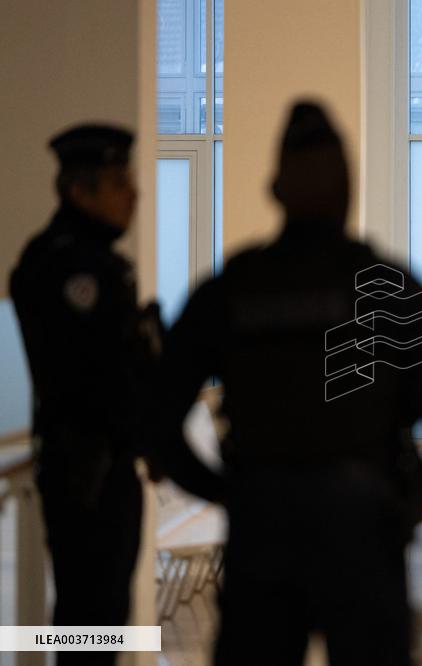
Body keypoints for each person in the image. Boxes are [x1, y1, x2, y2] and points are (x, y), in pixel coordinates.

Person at [156, 101, 422, 665]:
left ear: (275, 188)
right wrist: (413, 502)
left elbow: (155, 417)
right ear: (348, 189)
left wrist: (228, 492)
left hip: (261, 530)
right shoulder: (392, 289)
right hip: (364, 531)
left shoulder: (233, 289)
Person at [8, 124, 175, 661]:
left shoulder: (100, 263)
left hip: (108, 465)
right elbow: (95, 377)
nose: (135, 194)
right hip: (87, 470)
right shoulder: (64, 265)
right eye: (118, 183)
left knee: (104, 620)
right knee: (90, 622)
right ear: (79, 191)